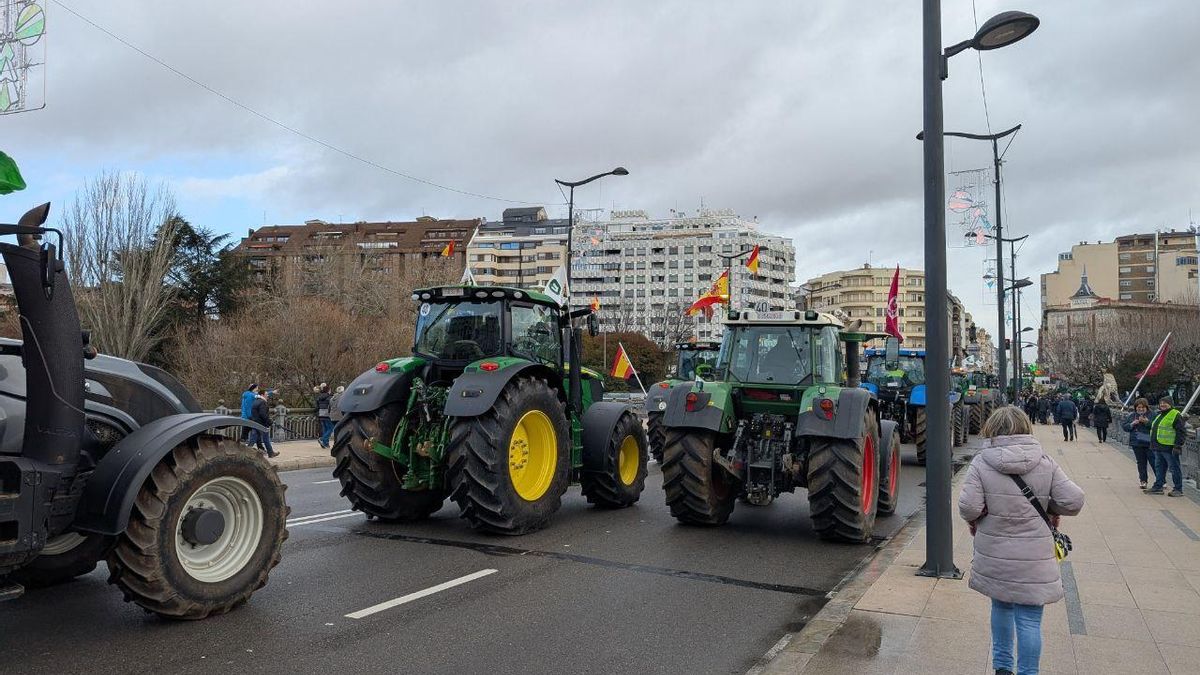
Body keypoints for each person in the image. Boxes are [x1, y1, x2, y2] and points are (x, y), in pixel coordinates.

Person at [959, 406, 1086, 675]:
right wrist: (1049, 508)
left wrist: (984, 512)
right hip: (1034, 556)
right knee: (1029, 619)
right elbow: (1073, 501)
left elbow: (969, 508)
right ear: (1026, 427)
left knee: (1001, 607)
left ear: (992, 428)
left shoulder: (982, 462)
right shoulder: (1045, 461)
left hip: (995, 553)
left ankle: (1002, 667)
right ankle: (1028, 672)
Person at [1147, 397, 1189, 497]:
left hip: (1169, 447)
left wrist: (1177, 446)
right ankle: (1158, 486)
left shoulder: (1175, 414)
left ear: (1170, 404)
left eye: (1165, 403)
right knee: (1159, 468)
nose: (1162, 405)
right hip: (1158, 446)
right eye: (1161, 403)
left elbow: (1181, 432)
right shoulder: (1160, 414)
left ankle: (1178, 489)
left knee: (1174, 468)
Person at [1123, 398, 1154, 489]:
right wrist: (1132, 424)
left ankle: (1161, 480)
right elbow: (1125, 427)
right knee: (1141, 463)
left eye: (1142, 407)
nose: (1140, 409)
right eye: (1138, 407)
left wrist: (1147, 422)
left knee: (1154, 461)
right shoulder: (1132, 416)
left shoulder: (1152, 415)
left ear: (1146, 407)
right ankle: (1143, 480)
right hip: (1137, 442)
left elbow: (1156, 426)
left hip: (1150, 442)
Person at [250, 389, 278, 458]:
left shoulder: (255, 401)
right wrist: (269, 422)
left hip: (255, 422)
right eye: (266, 394)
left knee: (253, 438)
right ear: (262, 395)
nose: (268, 395)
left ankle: (246, 451)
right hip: (261, 424)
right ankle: (271, 453)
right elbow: (263, 414)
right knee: (266, 438)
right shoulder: (262, 402)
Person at [316, 383, 333, 450]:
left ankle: (326, 444)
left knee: (325, 429)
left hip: (321, 414)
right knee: (330, 428)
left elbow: (317, 406)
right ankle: (322, 439)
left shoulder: (319, 397)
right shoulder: (330, 397)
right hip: (327, 414)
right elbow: (331, 406)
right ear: (328, 390)